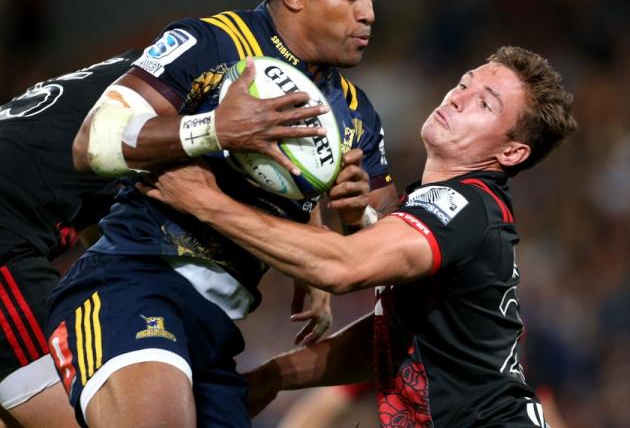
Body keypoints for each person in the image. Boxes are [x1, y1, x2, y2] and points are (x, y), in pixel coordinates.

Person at [46, 0, 399, 427]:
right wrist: (211, 128)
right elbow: (93, 141)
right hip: (134, 280)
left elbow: (390, 233)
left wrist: (357, 214)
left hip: (217, 329)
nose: (368, 14)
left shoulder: (356, 112)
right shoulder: (211, 43)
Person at [138, 46, 578, 427]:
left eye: (485, 104)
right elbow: (395, 342)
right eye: (464, 83)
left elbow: (340, 267)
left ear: (511, 152)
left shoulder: (463, 207)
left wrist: (204, 201)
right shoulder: (449, 206)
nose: (458, 99)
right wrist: (275, 376)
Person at [0, 51, 141, 428]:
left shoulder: (138, 85)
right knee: (97, 419)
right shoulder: (181, 109)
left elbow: (105, 228)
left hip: (14, 231)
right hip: (4, 250)